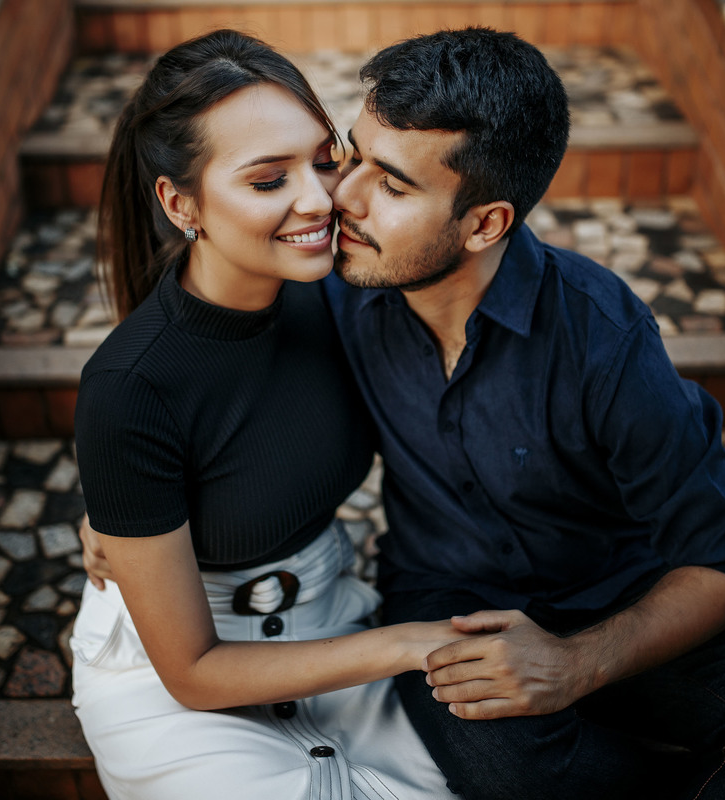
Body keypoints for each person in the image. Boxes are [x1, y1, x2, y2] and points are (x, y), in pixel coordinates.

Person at [82, 26, 725, 800]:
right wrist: (129, 506)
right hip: (446, 597)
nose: (335, 199)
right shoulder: (335, 283)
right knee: (514, 773)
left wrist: (579, 663)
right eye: (349, 158)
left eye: (389, 185)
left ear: (486, 223)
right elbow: (194, 361)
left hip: (616, 586)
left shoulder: (599, 334)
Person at [69, 29, 469, 800]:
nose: (320, 200)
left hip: (334, 621)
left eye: (325, 160)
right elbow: (192, 671)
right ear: (180, 202)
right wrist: (413, 644)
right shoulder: (128, 387)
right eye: (266, 181)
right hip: (181, 679)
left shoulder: (345, 293)